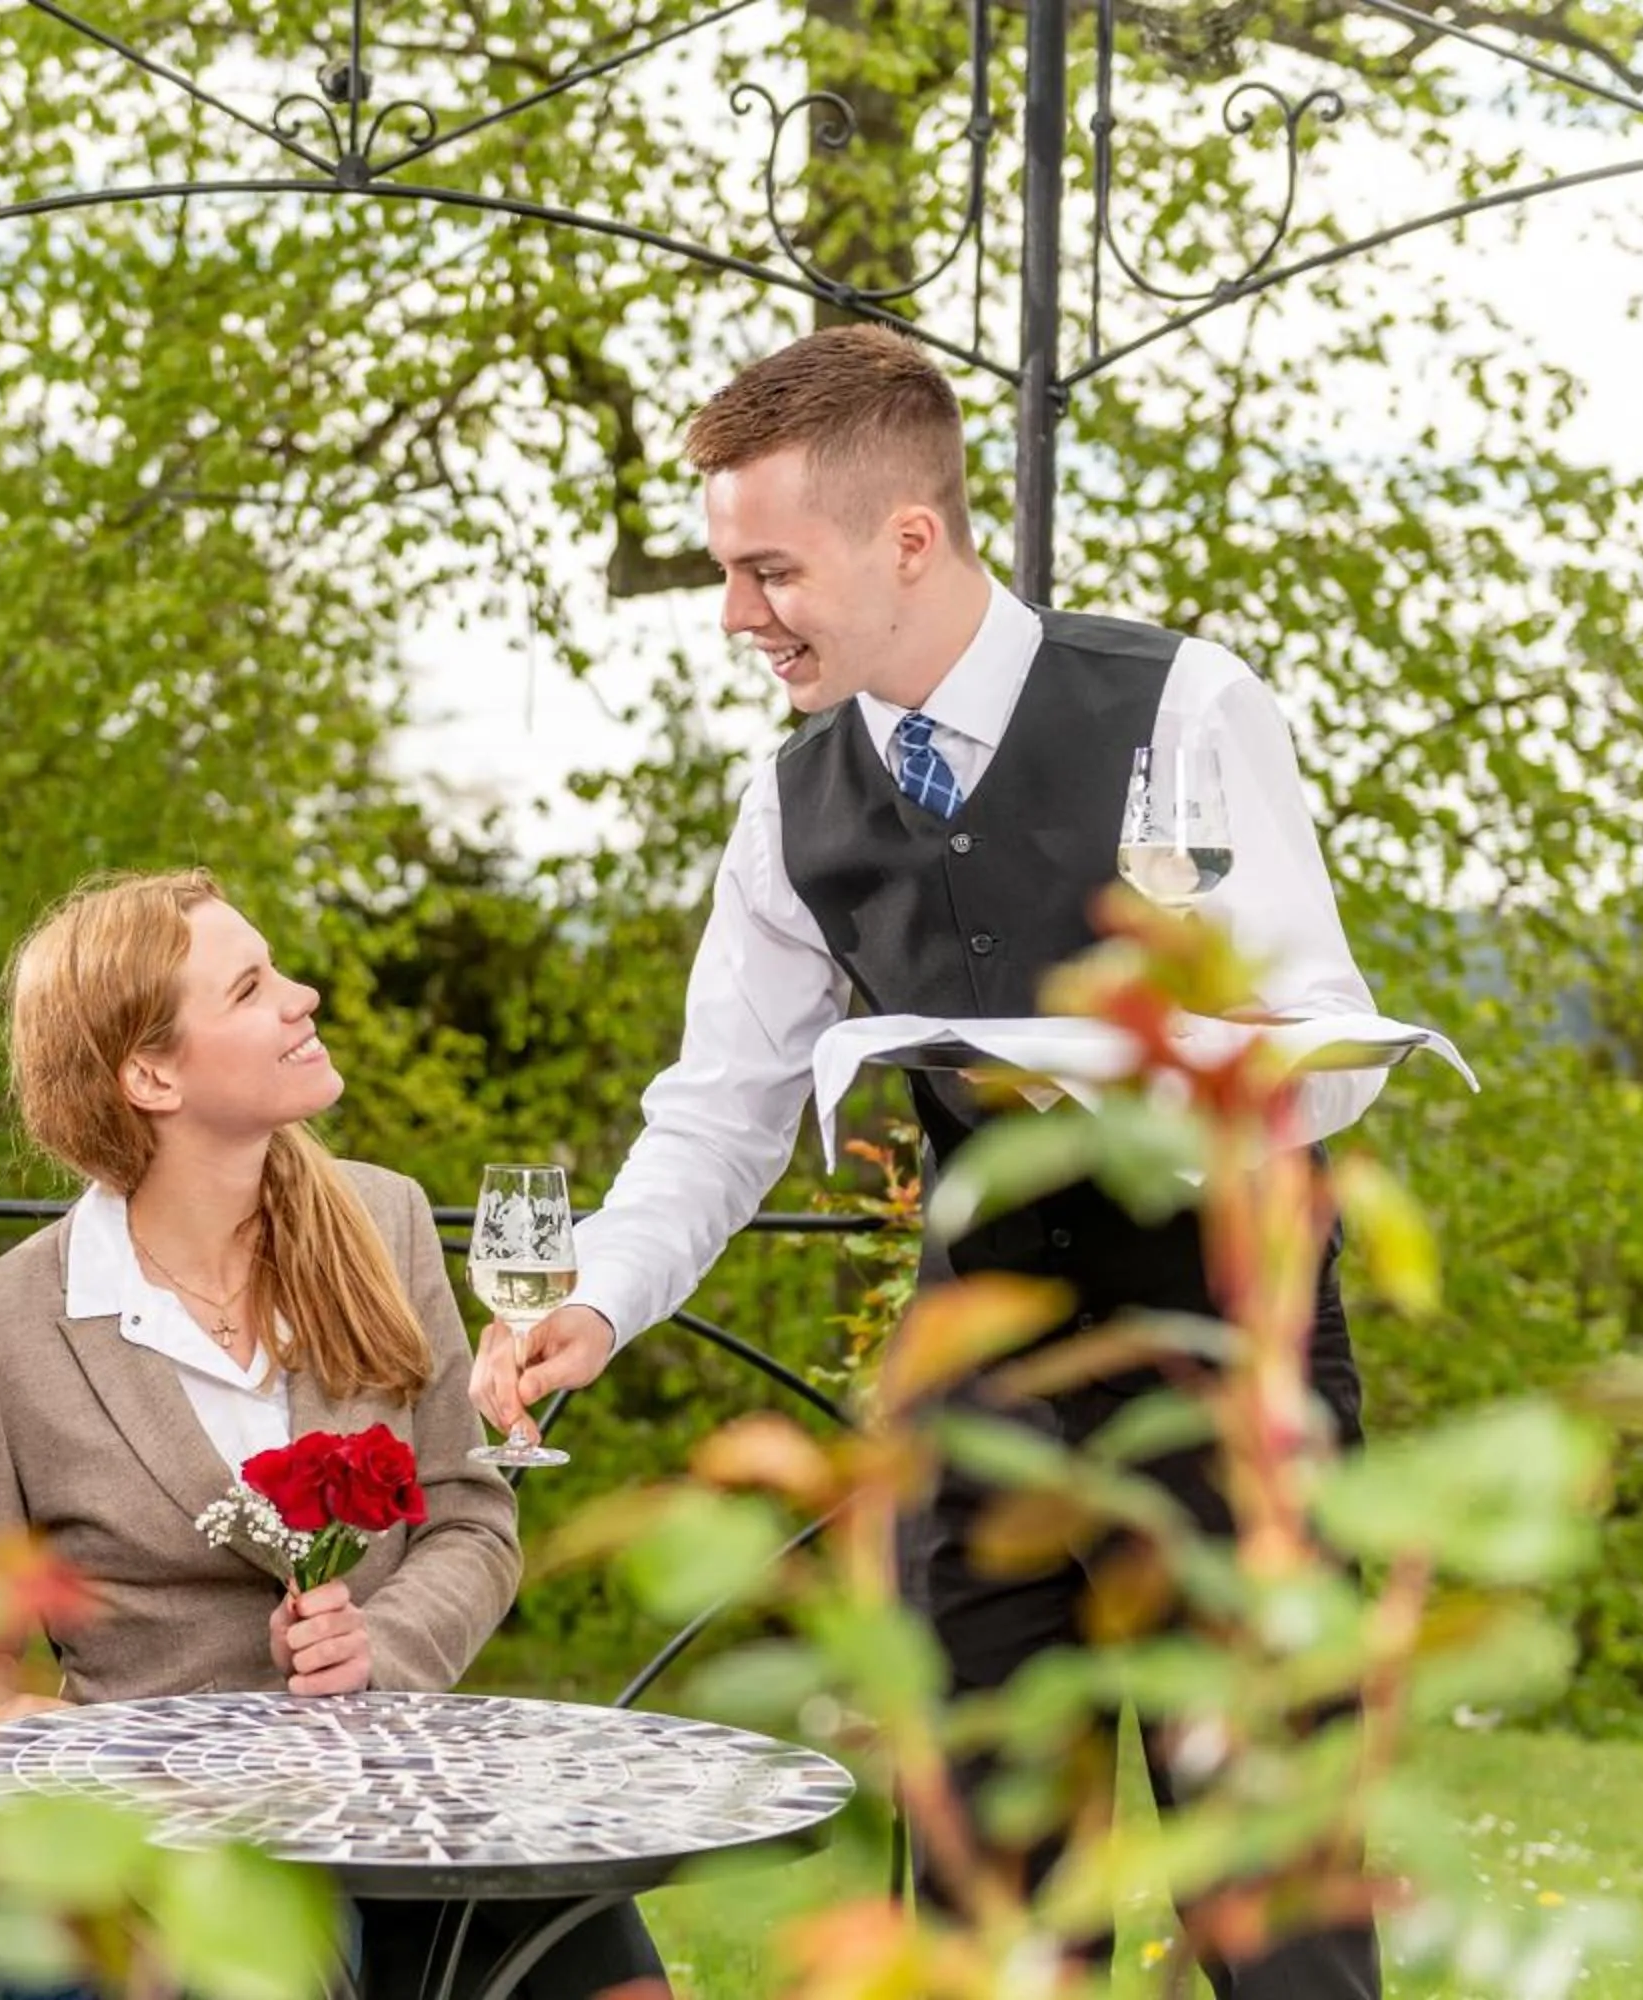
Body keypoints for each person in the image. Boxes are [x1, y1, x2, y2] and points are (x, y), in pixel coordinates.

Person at [466, 324, 1389, 1997]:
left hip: (1227, 1363)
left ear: (911, 537)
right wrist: (595, 1307)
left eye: (767, 570)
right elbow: (721, 1108)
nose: (739, 615)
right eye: (729, 573)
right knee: (979, 1903)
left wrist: (1179, 1085)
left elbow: (1324, 1036)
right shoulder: (793, 804)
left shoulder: (1177, 707)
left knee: (1275, 1899)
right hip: (981, 1390)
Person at [0, 870, 670, 2000]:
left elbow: (471, 1513)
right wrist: (130, 1779)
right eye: (253, 985)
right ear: (150, 1073)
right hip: (182, 1859)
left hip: (409, 1797)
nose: (304, 995)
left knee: (605, 1962)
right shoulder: (3, 1323)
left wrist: (385, 1641)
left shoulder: (386, 1218)